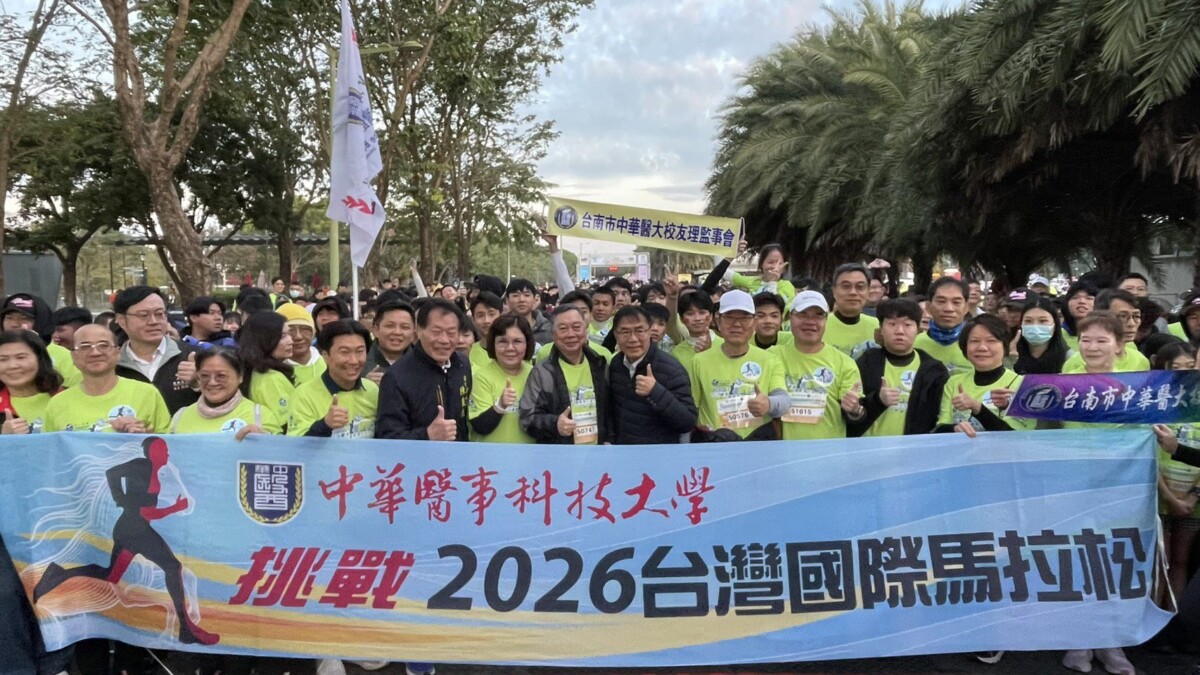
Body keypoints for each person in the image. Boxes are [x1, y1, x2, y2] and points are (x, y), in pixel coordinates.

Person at [32, 436, 220, 646]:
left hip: (132, 529)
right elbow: (140, 505)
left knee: (111, 575)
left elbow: (120, 482)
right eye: (163, 449)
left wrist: (124, 499)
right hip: (134, 532)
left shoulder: (152, 470)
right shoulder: (143, 467)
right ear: (152, 452)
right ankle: (185, 628)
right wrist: (127, 499)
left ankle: (59, 573)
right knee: (172, 567)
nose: (167, 453)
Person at [688, 290, 788, 439]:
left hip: (757, 443)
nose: (736, 324)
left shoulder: (770, 360)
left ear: (754, 322)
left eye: (744, 317)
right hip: (716, 444)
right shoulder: (699, 361)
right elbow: (691, 408)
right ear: (718, 321)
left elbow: (784, 401)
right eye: (729, 317)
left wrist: (769, 404)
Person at [44, 324, 170, 432]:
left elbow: (168, 446)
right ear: (73, 356)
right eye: (85, 347)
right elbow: (50, 450)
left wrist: (143, 437)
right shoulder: (58, 403)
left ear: (117, 352)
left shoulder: (147, 394)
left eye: (103, 345)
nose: (95, 353)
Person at [849, 299, 948, 437]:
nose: (900, 331)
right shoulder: (866, 362)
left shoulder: (934, 371)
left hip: (914, 447)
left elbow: (938, 419)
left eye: (907, 325)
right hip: (869, 446)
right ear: (881, 328)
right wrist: (877, 401)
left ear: (918, 329)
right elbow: (853, 416)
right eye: (892, 324)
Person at [1148, 341, 1200, 605]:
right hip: (1159, 498)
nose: (1186, 372)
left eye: (1190, 366)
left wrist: (1193, 496)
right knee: (1160, 560)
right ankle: (1154, 619)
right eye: (1175, 367)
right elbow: (1148, 456)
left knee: (1181, 560)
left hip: (1193, 502)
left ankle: (1174, 619)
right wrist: (1169, 498)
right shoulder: (1153, 404)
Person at [773, 290, 864, 440]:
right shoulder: (771, 357)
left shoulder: (844, 363)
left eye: (818, 315)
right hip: (783, 451)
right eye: (802, 314)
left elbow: (857, 415)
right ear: (790, 317)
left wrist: (855, 410)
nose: (810, 322)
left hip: (829, 451)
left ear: (826, 320)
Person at [377, 298, 471, 441]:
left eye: (451, 333)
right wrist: (427, 435)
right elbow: (388, 436)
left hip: (457, 454)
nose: (444, 340)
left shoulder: (462, 364)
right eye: (436, 332)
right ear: (419, 331)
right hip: (417, 455)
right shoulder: (396, 377)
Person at [519, 304, 610, 445]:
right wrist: (555, 423)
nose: (571, 334)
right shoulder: (543, 372)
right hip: (561, 454)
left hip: (597, 452)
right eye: (563, 328)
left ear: (586, 330)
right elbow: (527, 418)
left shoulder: (600, 365)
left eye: (576, 327)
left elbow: (611, 411)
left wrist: (609, 439)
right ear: (553, 335)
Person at [607, 306, 697, 444]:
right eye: (625, 332)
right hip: (623, 451)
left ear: (649, 332)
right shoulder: (616, 364)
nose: (633, 339)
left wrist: (656, 391)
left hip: (659, 452)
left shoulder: (671, 369)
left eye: (639, 331)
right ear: (615, 335)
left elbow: (687, 422)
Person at [936, 314, 1032, 435]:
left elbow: (1017, 435)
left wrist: (977, 408)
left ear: (1005, 346)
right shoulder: (954, 382)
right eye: (974, 341)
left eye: (991, 341)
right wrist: (954, 428)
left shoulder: (1023, 385)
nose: (982, 347)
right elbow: (940, 428)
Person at [111, 286, 199, 414]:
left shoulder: (196, 357)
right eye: (143, 315)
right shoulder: (112, 365)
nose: (153, 321)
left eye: (159, 314)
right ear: (121, 320)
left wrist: (201, 382)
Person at [289, 320, 379, 439]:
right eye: (344, 352)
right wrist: (325, 425)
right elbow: (296, 446)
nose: (354, 361)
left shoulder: (373, 390)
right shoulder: (304, 395)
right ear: (326, 356)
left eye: (359, 351)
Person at [169, 349, 281, 435]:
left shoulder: (260, 416)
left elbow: (279, 454)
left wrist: (263, 442)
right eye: (205, 376)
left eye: (221, 376)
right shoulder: (180, 417)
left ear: (240, 377)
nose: (212, 382)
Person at [469, 315, 535, 443]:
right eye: (503, 341)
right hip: (490, 454)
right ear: (493, 344)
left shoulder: (535, 374)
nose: (510, 348)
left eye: (517, 341)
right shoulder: (481, 376)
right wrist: (500, 406)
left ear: (527, 344)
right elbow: (480, 426)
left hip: (527, 453)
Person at [1061, 289, 1151, 372]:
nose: (1131, 323)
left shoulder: (1141, 360)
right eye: (1123, 316)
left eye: (1136, 316)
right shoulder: (1075, 364)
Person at [3, 293, 81, 387]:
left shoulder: (64, 357)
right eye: (9, 318)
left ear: (41, 321)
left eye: (24, 318)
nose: (14, 324)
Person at [0, 330, 64, 434]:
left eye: (21, 357)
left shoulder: (65, 398)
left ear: (40, 359)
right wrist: (5, 439)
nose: (12, 366)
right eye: (3, 359)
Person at [236, 311, 296, 422]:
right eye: (282, 336)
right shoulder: (271, 378)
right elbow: (289, 422)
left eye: (289, 334)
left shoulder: (253, 371)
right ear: (264, 339)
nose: (291, 341)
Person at [914, 277, 973, 375]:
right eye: (941, 301)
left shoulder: (977, 346)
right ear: (928, 307)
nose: (949, 309)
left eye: (956, 302)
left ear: (966, 307)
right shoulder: (914, 344)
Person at [534, 291, 613, 363]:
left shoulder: (603, 354)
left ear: (591, 315)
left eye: (583, 312)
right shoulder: (545, 352)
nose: (576, 316)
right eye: (571, 312)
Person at [664, 278, 722, 370]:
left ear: (711, 316)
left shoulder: (725, 346)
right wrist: (672, 297)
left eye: (702, 312)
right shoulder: (677, 353)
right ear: (681, 319)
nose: (697, 318)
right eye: (690, 314)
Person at [824, 263, 880, 360]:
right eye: (846, 286)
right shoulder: (818, 325)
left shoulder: (878, 326)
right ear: (834, 291)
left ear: (868, 291)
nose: (853, 292)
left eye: (860, 286)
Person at [1011, 296, 1069, 374]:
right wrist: (1010, 361)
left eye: (1043, 321)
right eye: (1028, 321)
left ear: (1055, 325)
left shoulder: (1069, 358)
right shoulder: (1010, 355)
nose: (1035, 326)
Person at [363, 300, 416, 384]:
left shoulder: (424, 366)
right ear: (376, 330)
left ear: (413, 333)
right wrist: (365, 385)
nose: (397, 332)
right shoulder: (359, 362)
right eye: (390, 326)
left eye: (404, 327)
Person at [726, 242, 796, 304]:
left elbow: (772, 307)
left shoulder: (787, 286)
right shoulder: (750, 282)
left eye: (779, 263)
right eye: (770, 262)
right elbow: (723, 272)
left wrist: (772, 282)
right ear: (761, 264)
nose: (774, 267)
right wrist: (732, 254)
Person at [278, 303, 326, 386]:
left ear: (313, 333)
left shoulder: (328, 363)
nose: (298, 337)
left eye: (304, 329)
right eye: (290, 331)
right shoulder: (275, 371)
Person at [505, 278, 552, 346]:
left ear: (535, 299)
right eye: (515, 295)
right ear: (507, 301)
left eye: (527, 295)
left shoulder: (548, 329)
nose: (522, 300)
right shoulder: (499, 328)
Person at [468, 291, 504, 369]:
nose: (486, 320)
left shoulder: (513, 351)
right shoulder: (469, 352)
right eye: (480, 315)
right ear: (473, 319)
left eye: (492, 314)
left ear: (501, 315)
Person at [1060, 280, 1098, 351]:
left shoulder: (1109, 333)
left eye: (1089, 298)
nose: (1082, 301)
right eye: (1075, 297)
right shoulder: (1057, 334)